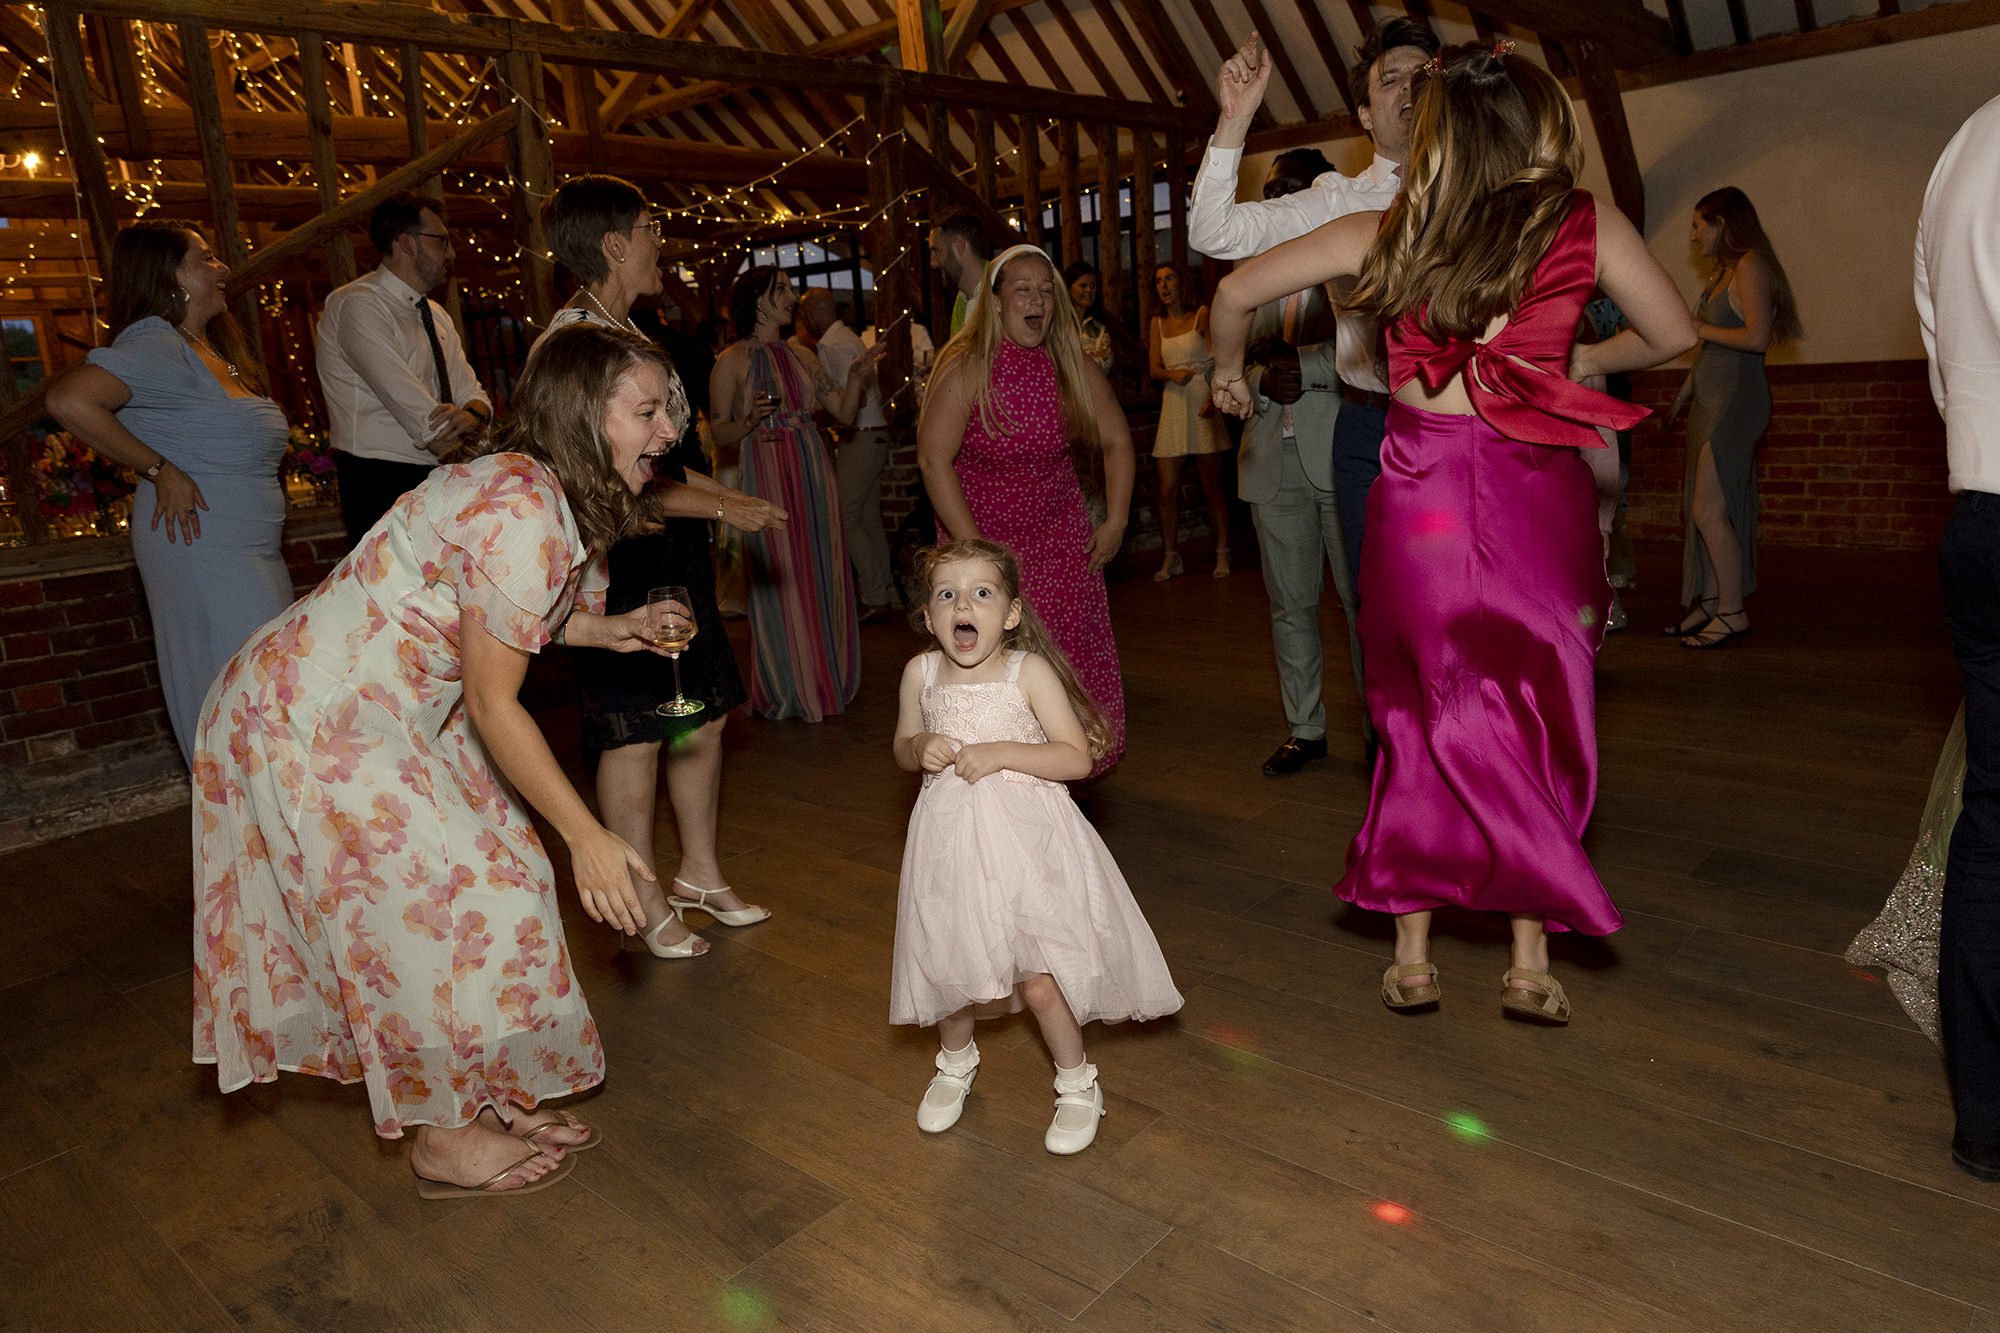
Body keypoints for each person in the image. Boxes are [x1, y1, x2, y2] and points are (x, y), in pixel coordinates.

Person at [1209, 41, 1695, 1023]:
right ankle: (1529, 962)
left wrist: (1226, 371)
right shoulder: (1583, 223)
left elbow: (1231, 292)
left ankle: (1413, 955)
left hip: (1419, 501)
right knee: (1538, 711)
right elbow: (1675, 335)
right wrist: (1578, 360)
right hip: (1536, 502)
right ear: (1535, 128)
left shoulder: (1380, 231)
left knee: (1417, 712)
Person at [192, 324, 698, 1198]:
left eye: (667, 411)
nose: (668, 431)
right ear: (584, 415)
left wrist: (610, 628)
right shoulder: (523, 506)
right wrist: (587, 835)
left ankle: (484, 1091)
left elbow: (495, 612)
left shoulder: (535, 487)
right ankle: (443, 1134)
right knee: (425, 912)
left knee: (506, 876)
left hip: (397, 711)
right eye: (648, 411)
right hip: (318, 717)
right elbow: (497, 701)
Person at [535, 174, 784, 958]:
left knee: (700, 715)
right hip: (619, 554)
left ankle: (699, 873)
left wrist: (726, 498)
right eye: (651, 228)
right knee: (636, 734)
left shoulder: (629, 328)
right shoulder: (575, 345)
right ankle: (643, 897)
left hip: (665, 544)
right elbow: (607, 481)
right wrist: (721, 507)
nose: (660, 243)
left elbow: (664, 459)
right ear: (614, 244)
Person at [890, 539, 1182, 1154]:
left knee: (1042, 980)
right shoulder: (921, 673)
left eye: (981, 593)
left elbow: (1075, 758)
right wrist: (918, 748)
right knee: (951, 967)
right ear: (928, 616)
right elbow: (902, 745)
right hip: (948, 847)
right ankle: (955, 1063)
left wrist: (999, 753)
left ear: (1012, 613)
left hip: (1031, 848)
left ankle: (1078, 1084)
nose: (962, 605)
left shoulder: (1028, 672)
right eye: (946, 594)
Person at [1191, 20, 1441, 582]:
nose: (1409, 89)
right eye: (1390, 80)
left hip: (1467, 420)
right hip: (1371, 424)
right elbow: (1213, 233)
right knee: (1375, 599)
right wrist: (1235, 119)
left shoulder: (1481, 189)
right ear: (1365, 116)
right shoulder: (1339, 201)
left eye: (1423, 76)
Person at [46, 220, 293, 767]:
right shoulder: (155, 343)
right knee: (248, 690)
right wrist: (158, 469)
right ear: (171, 274)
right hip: (202, 544)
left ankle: (262, 808)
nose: (222, 267)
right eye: (206, 258)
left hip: (248, 546)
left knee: (267, 685)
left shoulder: (204, 347)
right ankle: (244, 804)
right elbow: (68, 400)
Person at [917, 244, 1135, 771]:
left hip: (1061, 544)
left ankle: (1062, 776)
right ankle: (1000, 775)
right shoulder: (967, 368)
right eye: (1022, 289)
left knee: (1064, 663)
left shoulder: (1069, 366)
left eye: (1045, 291)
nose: (1036, 299)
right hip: (984, 542)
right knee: (999, 670)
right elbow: (932, 459)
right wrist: (976, 555)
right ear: (994, 302)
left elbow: (1118, 442)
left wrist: (1117, 520)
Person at [1918, 90, 2000, 1183]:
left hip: (1981, 514)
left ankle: (1984, 1113)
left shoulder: (1968, 139)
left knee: (1992, 820)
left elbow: (1940, 348)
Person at [1229, 148, 1366, 777]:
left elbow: (1377, 355)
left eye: (1291, 188)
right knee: (1290, 607)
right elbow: (1215, 362)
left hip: (1340, 452)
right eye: (1271, 191)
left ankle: (1382, 730)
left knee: (1362, 604)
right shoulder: (1252, 272)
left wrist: (1301, 365)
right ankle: (1305, 729)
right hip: (1270, 458)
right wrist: (1257, 378)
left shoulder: (1352, 263)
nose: (1278, 201)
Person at [708, 266, 876, 721]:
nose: (791, 296)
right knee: (782, 573)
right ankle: (789, 683)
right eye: (780, 289)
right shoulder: (731, 361)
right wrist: (750, 421)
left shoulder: (803, 354)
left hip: (811, 467)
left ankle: (825, 676)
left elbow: (843, 411)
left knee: (821, 568)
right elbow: (720, 433)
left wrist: (857, 377)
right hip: (766, 470)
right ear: (757, 302)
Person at [1664, 187, 1803, 648]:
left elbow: (1756, 338)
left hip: (1736, 401)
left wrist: (1697, 327)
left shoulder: (1750, 265)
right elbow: (1711, 348)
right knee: (1703, 507)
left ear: (1722, 224)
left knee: (1709, 510)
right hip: (1710, 398)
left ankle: (1732, 612)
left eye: (1698, 225)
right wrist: (1683, 394)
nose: (1693, 235)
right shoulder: (1721, 272)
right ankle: (1711, 601)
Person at [318, 191, 493, 545]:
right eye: (441, 241)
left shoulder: (435, 314)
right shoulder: (357, 305)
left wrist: (472, 414)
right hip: (378, 478)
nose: (451, 253)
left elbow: (475, 396)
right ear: (406, 244)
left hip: (436, 475)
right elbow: (425, 422)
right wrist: (471, 439)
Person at [798, 288, 897, 622]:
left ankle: (874, 596)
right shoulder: (847, 338)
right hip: (874, 434)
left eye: (803, 315)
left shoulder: (833, 345)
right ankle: (883, 591)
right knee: (867, 517)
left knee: (846, 516)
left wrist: (813, 414)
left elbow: (851, 402)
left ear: (812, 314)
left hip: (861, 435)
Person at [1147, 261, 1232, 581]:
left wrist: (1213, 397)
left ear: (1182, 283)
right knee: (1167, 488)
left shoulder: (1202, 314)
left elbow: (1217, 357)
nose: (1164, 286)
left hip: (1200, 400)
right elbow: (1154, 369)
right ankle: (1171, 556)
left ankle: (1222, 551)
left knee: (1211, 486)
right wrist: (1172, 374)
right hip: (1173, 401)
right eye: (1159, 281)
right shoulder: (1156, 323)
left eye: (1169, 279)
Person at [929, 211, 990, 338]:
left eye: (936, 251)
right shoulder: (961, 301)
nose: (933, 263)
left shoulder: (1001, 292)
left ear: (959, 245)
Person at [1064, 260, 1115, 372]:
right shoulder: (1058, 324)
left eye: (1092, 285)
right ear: (1068, 288)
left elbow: (1105, 361)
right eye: (1083, 285)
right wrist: (1091, 357)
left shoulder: (1099, 326)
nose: (1089, 290)